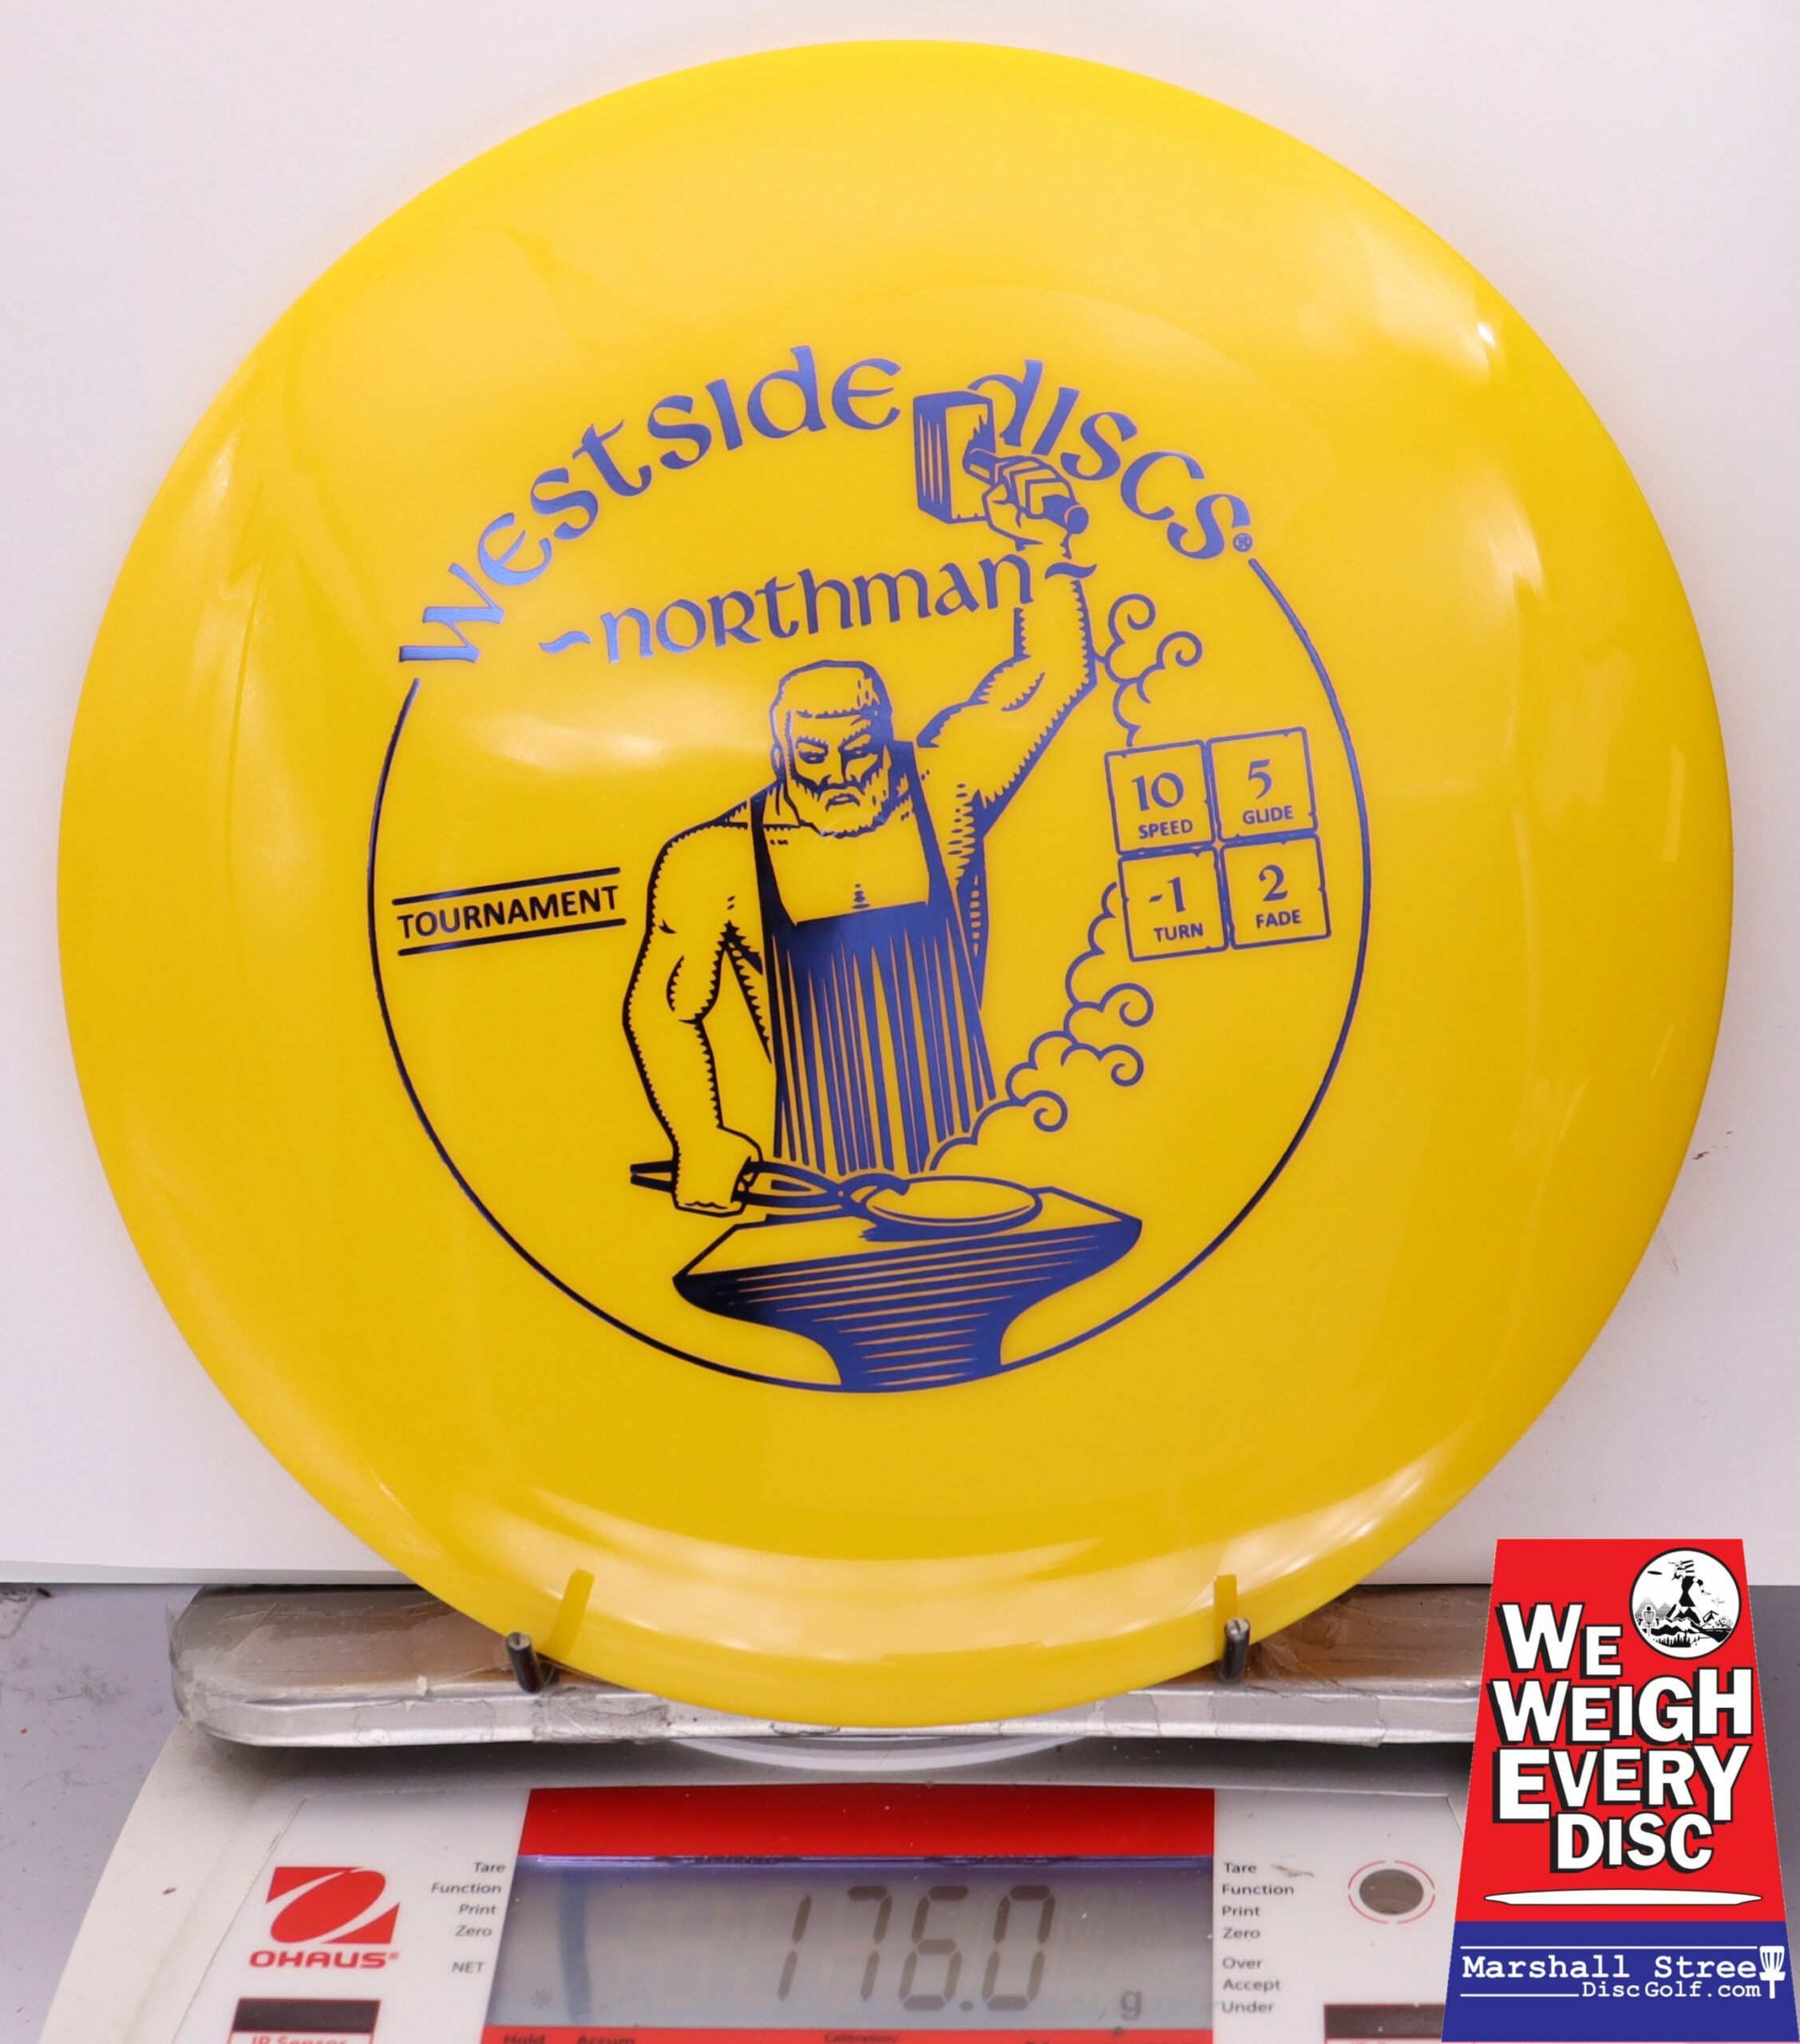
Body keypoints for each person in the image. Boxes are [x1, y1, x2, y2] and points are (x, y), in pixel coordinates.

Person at [626, 457, 1096, 1214]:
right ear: (778, 751)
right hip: (812, 1182)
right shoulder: (713, 859)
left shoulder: (946, 785)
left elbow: (1048, 676)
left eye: (859, 750)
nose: (840, 775)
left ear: (885, 732)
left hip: (980, 1157)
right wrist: (698, 1135)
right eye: (812, 756)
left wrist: (1045, 551)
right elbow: (663, 1008)